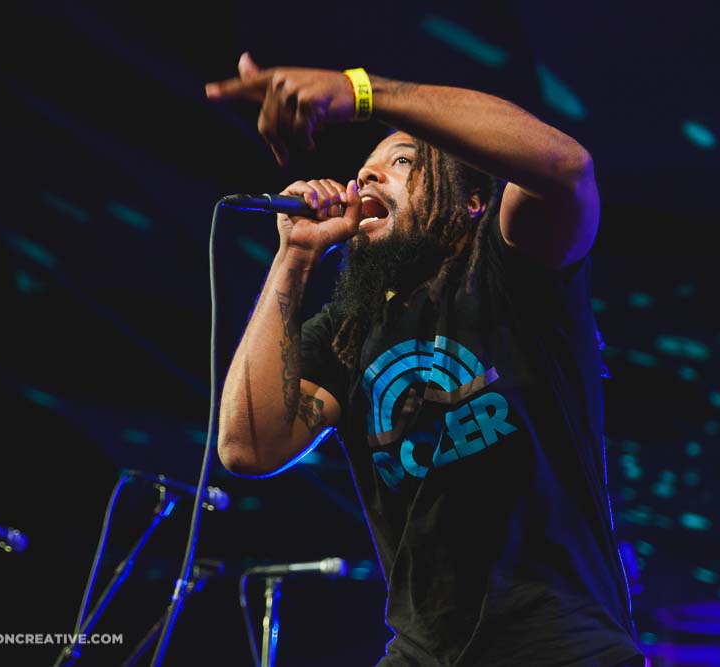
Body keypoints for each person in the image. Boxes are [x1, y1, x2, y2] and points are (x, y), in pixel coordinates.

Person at [208, 52, 644, 667]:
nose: (367, 180)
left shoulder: (511, 274)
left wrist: (362, 93)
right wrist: (296, 259)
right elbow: (247, 448)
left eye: (403, 163)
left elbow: (566, 168)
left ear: (470, 202)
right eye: (363, 171)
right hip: (421, 655)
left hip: (563, 647)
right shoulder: (346, 333)